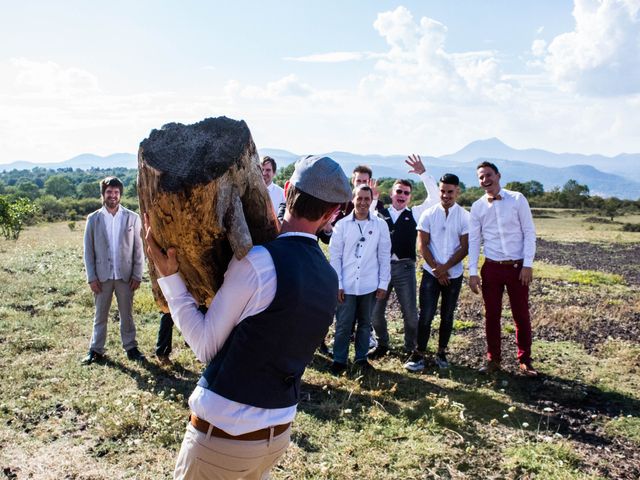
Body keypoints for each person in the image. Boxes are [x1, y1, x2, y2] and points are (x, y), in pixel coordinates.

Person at [144, 155, 352, 479]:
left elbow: (205, 345)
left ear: (286, 189)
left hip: (224, 437)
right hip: (278, 432)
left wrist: (171, 278)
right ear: (332, 213)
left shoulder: (258, 263)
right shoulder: (330, 280)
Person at [468, 161, 538, 377]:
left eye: (488, 175)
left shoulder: (517, 199)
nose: (485, 180)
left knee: (521, 314)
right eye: (480, 177)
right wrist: (472, 272)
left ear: (498, 175)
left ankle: (525, 360)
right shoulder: (478, 206)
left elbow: (529, 232)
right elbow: (473, 240)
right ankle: (493, 360)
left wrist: (527, 265)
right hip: (491, 268)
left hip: (517, 267)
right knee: (492, 315)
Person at [369, 154, 439, 360]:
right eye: (399, 191)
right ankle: (382, 344)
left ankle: (411, 347)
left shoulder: (416, 214)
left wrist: (423, 174)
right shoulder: (379, 213)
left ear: (410, 197)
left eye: (406, 193)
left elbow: (434, 199)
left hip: (405, 268)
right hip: (381, 268)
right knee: (375, 312)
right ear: (391, 194)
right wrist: (373, 198)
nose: (402, 195)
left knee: (409, 312)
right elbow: (368, 219)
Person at [405, 174, 469, 372]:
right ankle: (419, 354)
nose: (446, 195)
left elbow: (465, 247)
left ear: (457, 191)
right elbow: (422, 244)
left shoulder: (465, 216)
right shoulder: (429, 214)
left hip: (454, 275)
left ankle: (441, 352)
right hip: (430, 274)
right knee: (426, 315)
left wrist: (446, 267)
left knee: (448, 315)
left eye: (450, 191)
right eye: (442, 191)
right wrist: (436, 269)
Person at [82, 176, 145, 364]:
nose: (113, 196)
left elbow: (138, 249)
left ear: (120, 195)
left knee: (127, 314)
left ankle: (131, 348)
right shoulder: (93, 219)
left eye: (116, 192)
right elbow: (88, 251)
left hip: (126, 276)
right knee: (100, 315)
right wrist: (91, 277)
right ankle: (96, 350)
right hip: (102, 277)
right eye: (109, 192)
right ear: (103, 194)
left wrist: (137, 275)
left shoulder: (132, 218)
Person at [328, 184, 391, 374]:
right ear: (353, 200)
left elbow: (384, 256)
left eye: (367, 199)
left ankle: (361, 359)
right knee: (343, 325)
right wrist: (337, 284)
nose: (363, 202)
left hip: (369, 284)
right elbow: (335, 257)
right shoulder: (342, 225)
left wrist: (383, 283)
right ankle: (339, 360)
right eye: (359, 198)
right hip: (346, 285)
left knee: (365, 324)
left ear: (372, 201)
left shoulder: (380, 224)